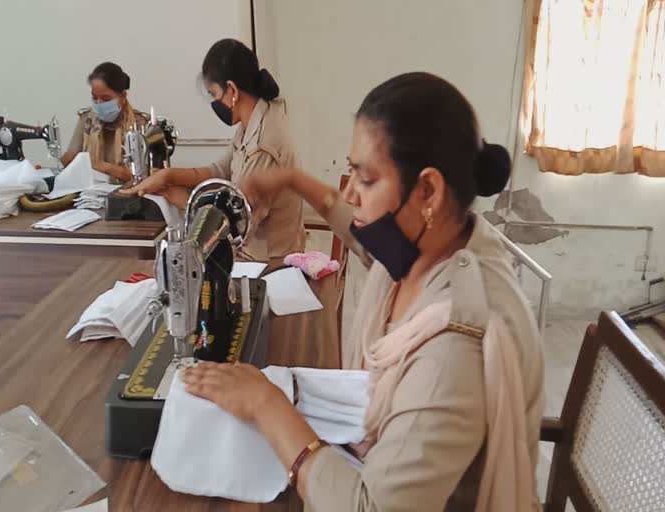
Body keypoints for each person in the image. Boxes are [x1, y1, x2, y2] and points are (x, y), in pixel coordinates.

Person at [181, 72, 545, 511]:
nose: (349, 192)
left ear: (427, 190)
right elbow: (354, 226)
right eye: (350, 170)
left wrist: (265, 403)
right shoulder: (436, 242)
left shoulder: (456, 344)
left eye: (367, 179)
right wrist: (292, 180)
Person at [123, 38, 305, 262]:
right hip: (250, 255)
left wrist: (174, 195)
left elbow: (236, 221)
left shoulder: (264, 144)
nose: (214, 102)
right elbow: (219, 170)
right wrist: (167, 176)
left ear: (231, 90)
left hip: (267, 265)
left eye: (213, 94)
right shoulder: (255, 121)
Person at [60, 62, 149, 183]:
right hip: (88, 192)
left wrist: (101, 166)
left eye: (106, 99)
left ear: (123, 96)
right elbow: (69, 159)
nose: (99, 103)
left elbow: (140, 175)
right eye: (94, 98)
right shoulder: (87, 120)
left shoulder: (139, 124)